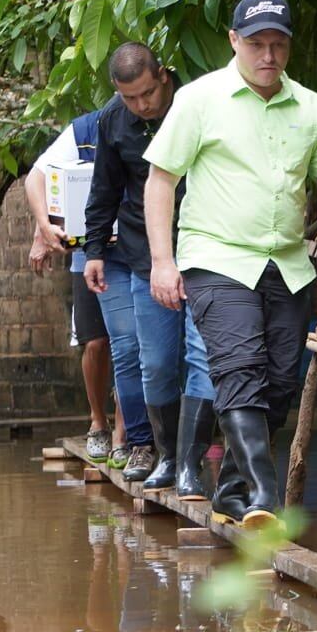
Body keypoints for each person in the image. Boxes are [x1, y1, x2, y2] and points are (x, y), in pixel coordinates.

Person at [143, 0, 317, 528]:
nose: (268, 55)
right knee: (238, 371)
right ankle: (267, 497)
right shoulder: (199, 99)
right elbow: (161, 180)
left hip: (287, 264)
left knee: (281, 382)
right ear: (234, 41)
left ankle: (233, 490)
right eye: (257, 43)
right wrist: (162, 262)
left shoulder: (311, 107)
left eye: (278, 44)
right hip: (216, 259)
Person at [84, 42, 217, 491]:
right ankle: (165, 454)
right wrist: (96, 250)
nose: (142, 106)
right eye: (130, 99)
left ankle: (190, 467)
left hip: (204, 250)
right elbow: (104, 187)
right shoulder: (113, 121)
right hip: (145, 256)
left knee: (202, 358)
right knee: (156, 362)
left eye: (147, 94)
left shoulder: (199, 105)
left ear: (163, 75)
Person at [26, 112, 127, 467]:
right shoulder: (85, 130)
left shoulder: (156, 123)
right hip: (88, 252)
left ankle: (124, 432)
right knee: (95, 341)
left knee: (130, 344)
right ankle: (98, 421)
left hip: (134, 252)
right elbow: (37, 176)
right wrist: (43, 228)